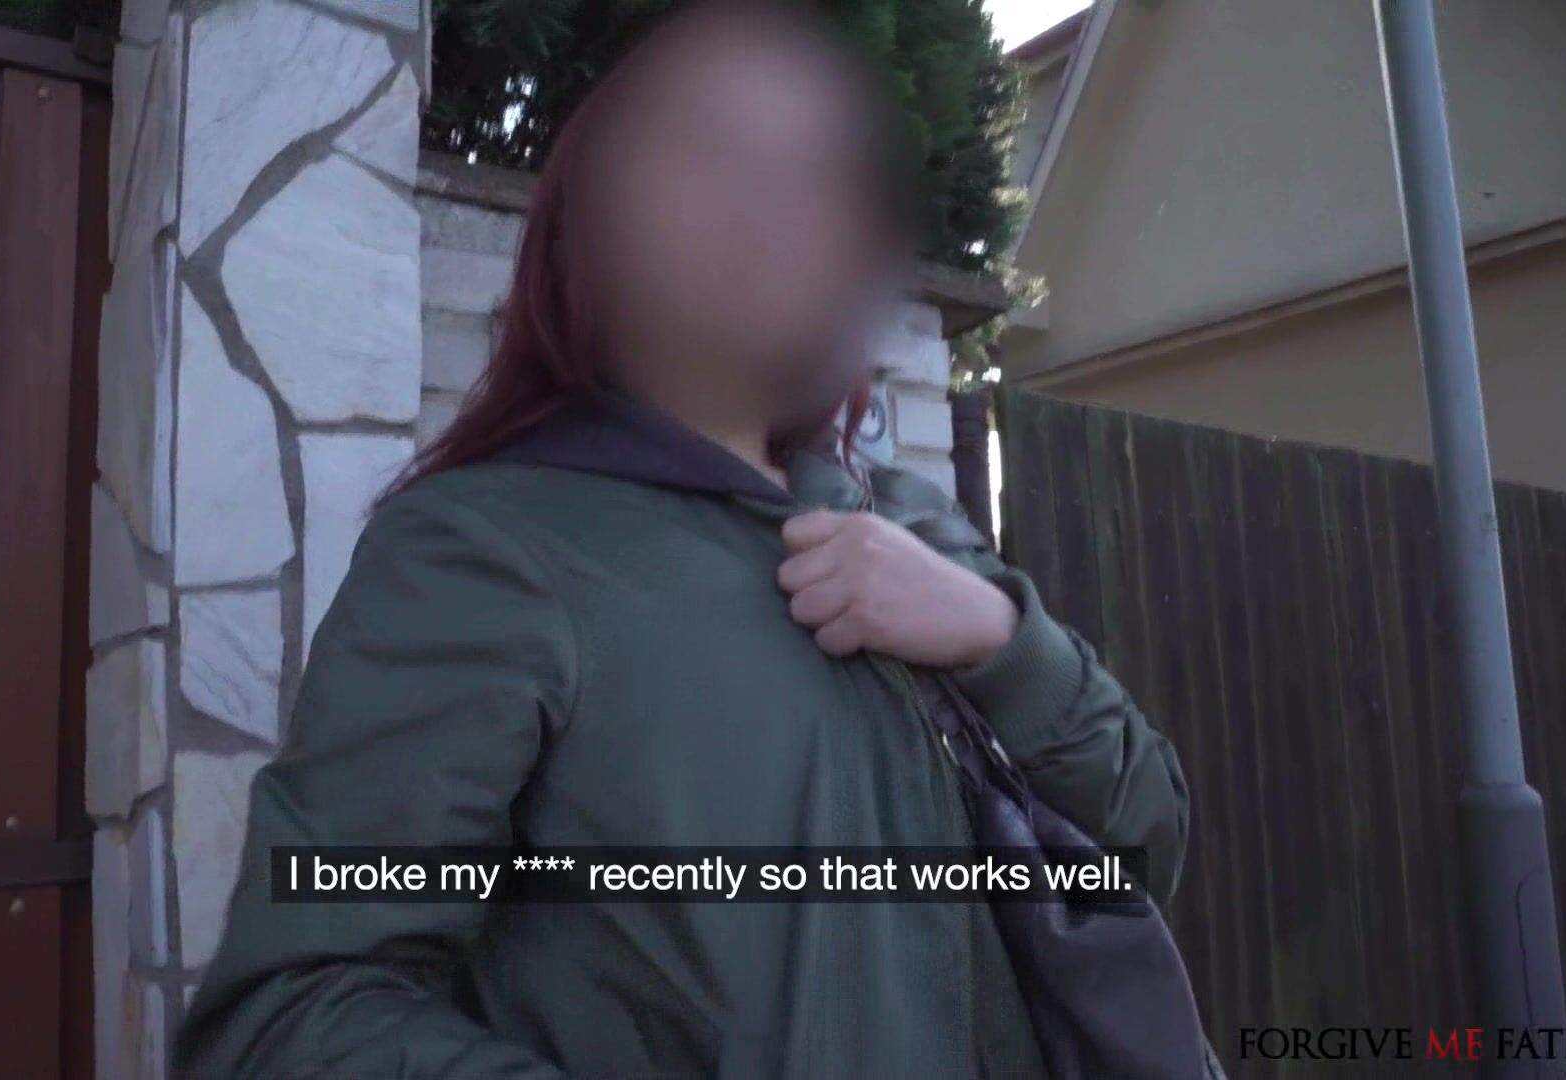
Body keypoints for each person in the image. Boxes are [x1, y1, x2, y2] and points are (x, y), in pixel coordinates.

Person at [175, 3, 1190, 1077]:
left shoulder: (913, 520)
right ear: (589, 226)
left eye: (819, 172)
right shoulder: (483, 552)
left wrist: (999, 638)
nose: (774, 208)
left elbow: (1146, 839)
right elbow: (290, 1017)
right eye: (707, 148)